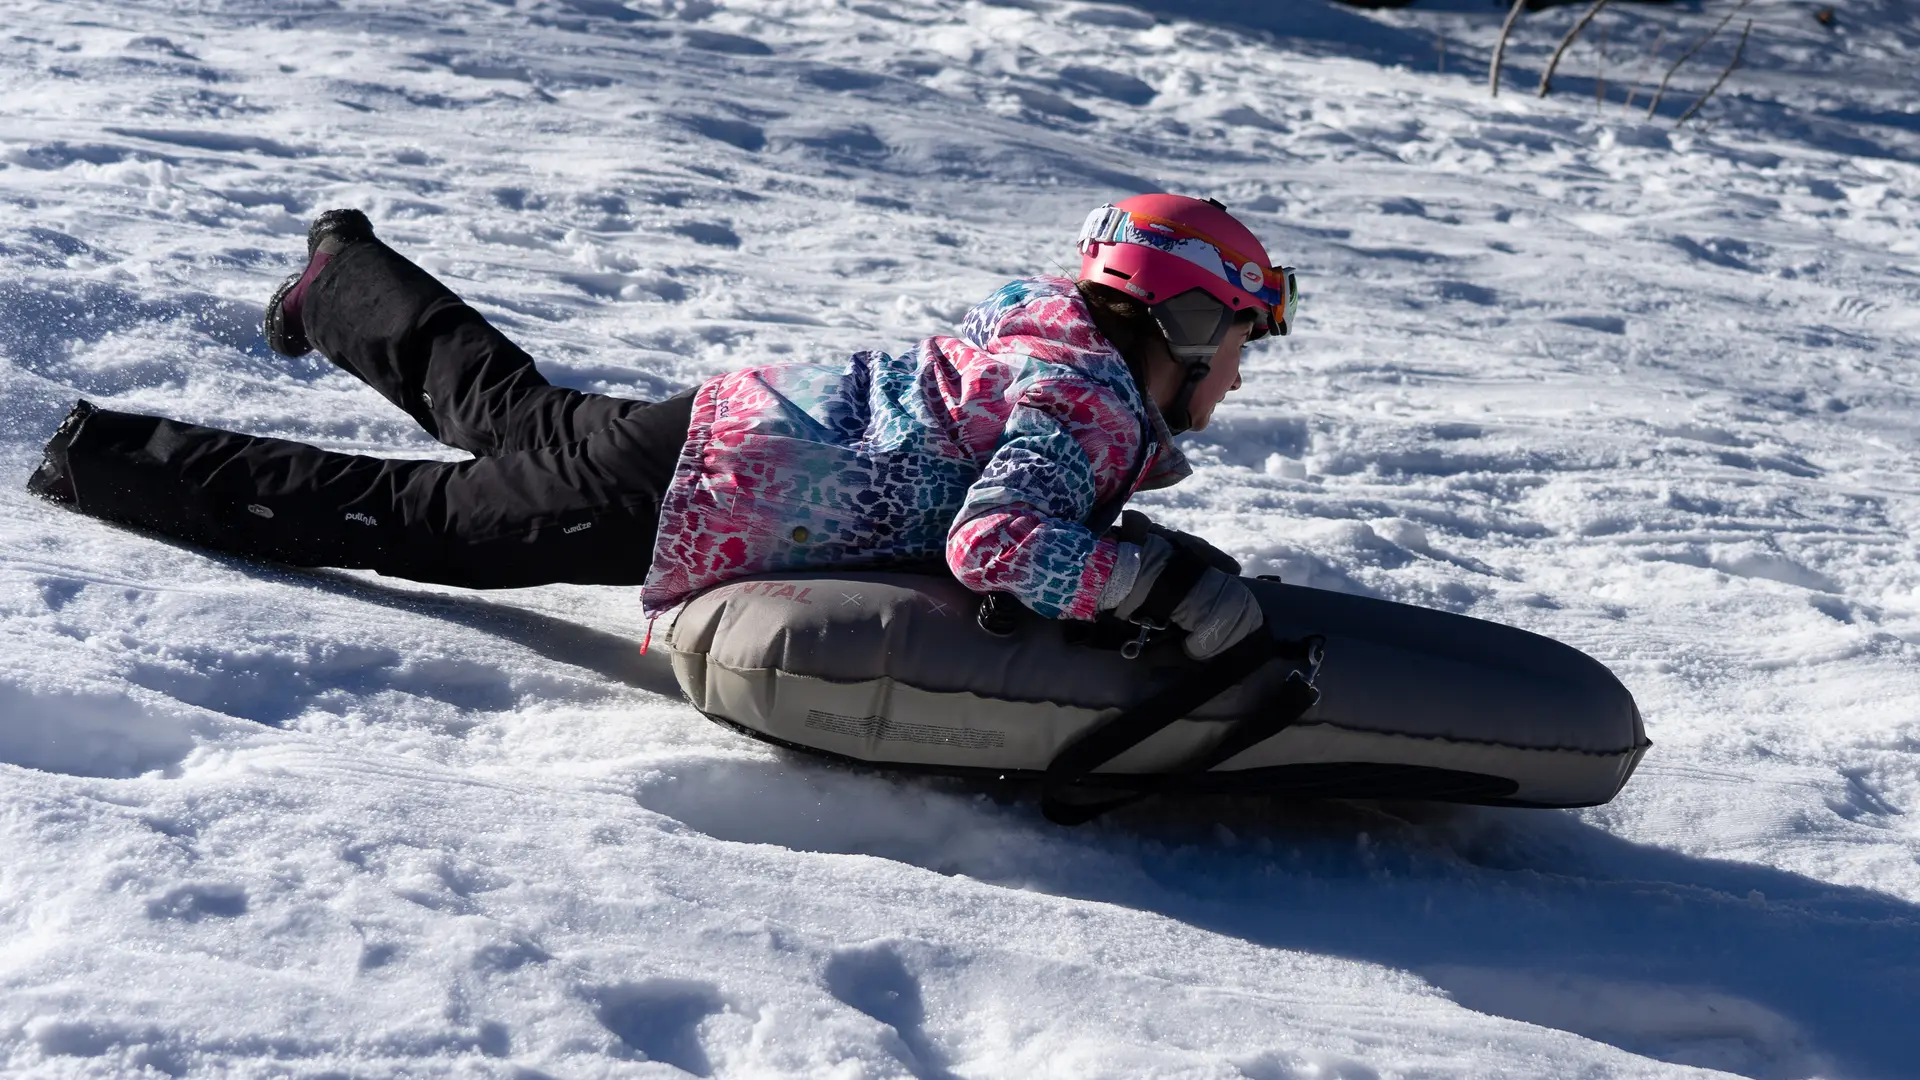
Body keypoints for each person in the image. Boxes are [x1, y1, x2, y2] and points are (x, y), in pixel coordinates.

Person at [26, 194, 1299, 659]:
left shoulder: (1053, 347)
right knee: (403, 519)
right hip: (702, 493)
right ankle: (97, 457)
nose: (1240, 379)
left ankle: (341, 282)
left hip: (721, 434)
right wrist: (1142, 583)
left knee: (518, 417)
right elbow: (996, 545)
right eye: (1242, 345)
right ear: (1182, 331)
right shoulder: (1079, 405)